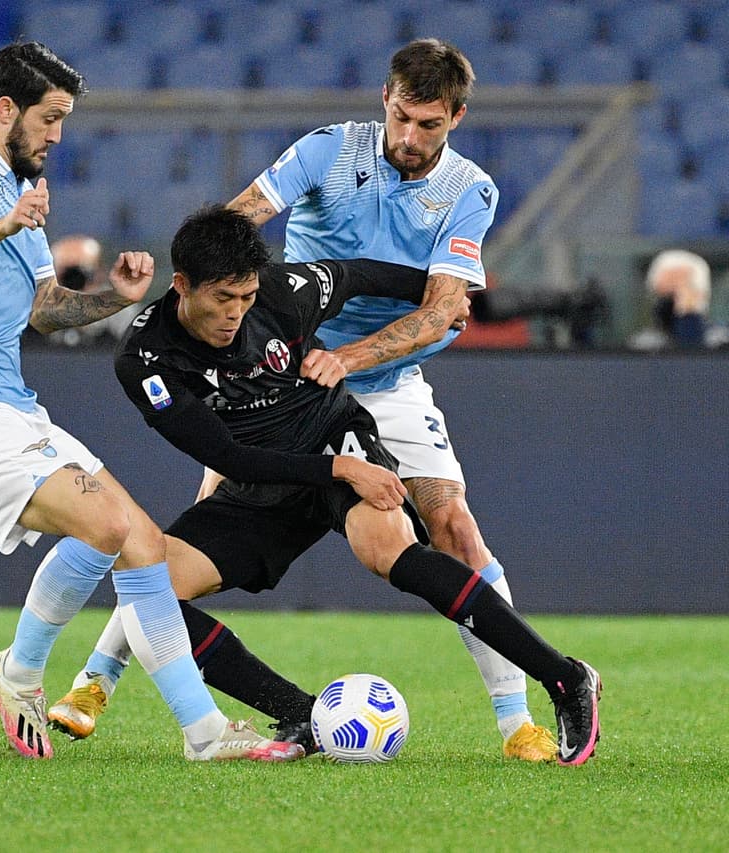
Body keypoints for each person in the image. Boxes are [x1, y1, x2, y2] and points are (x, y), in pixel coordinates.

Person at [49, 207, 602, 766]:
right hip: (267, 474)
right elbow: (225, 455)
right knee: (155, 590)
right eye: (222, 300)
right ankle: (301, 713)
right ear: (182, 286)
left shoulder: (283, 292)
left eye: (245, 298)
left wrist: (440, 297)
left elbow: (361, 274)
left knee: (388, 548)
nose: (236, 314)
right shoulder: (145, 358)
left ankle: (564, 678)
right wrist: (342, 471)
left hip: (332, 436)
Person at [0, 42, 302, 763]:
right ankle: (20, 670)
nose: (57, 135)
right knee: (107, 523)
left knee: (143, 543)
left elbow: (43, 310)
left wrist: (113, 298)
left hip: (12, 409)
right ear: (6, 110)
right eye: (49, 118)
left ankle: (204, 732)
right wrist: (5, 223)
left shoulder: (18, 191)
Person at [220, 37, 562, 761]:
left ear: (457, 118)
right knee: (200, 524)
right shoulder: (329, 151)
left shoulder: (470, 191)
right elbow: (240, 218)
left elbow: (444, 312)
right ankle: (96, 680)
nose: (409, 138)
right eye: (402, 117)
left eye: (429, 125)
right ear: (385, 98)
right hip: (287, 379)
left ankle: (518, 721)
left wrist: (349, 357)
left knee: (456, 529)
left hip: (385, 383)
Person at [41, 234, 136, 347]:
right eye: (67, 276)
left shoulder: (120, 311)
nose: (74, 282)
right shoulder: (33, 309)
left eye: (81, 273)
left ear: (100, 273)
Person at [628, 248, 729, 350]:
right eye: (665, 294)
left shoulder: (721, 341)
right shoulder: (643, 344)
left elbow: (695, 360)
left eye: (678, 293)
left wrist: (688, 314)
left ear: (700, 294)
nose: (671, 302)